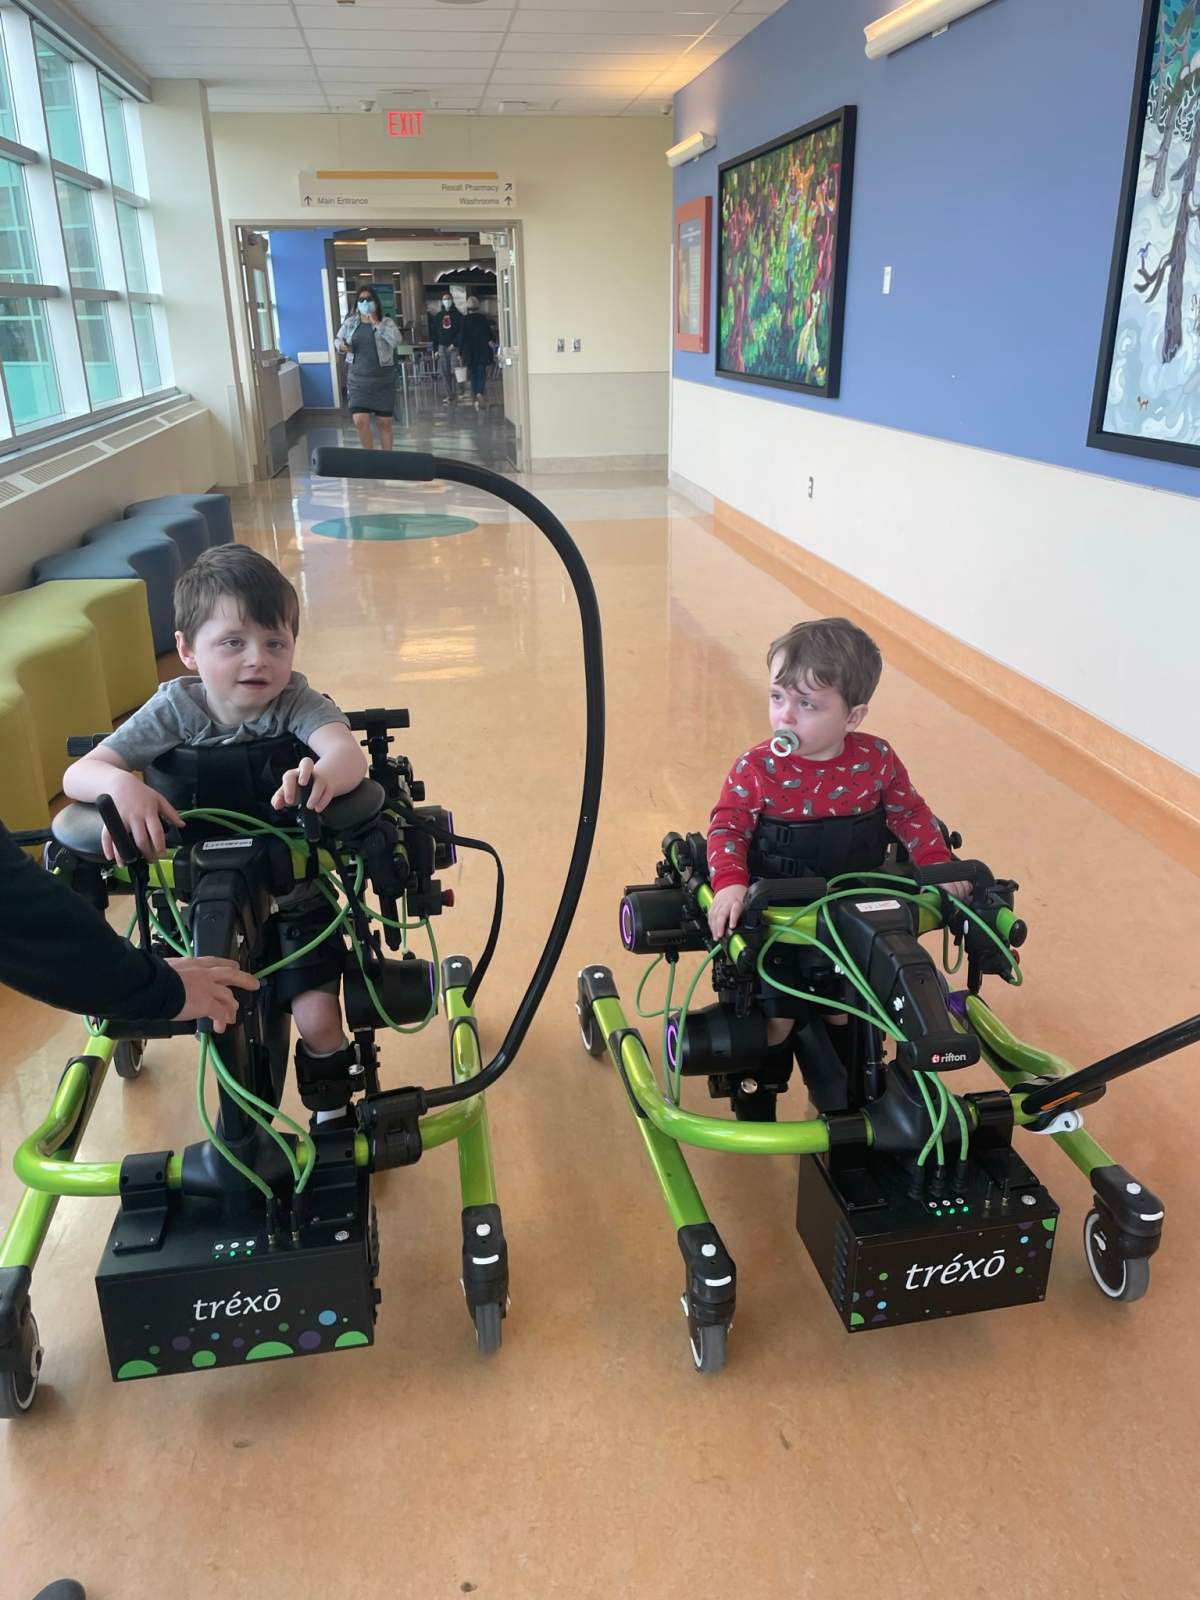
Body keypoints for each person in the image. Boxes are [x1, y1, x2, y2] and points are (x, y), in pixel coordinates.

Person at [62, 544, 369, 1122]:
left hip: (295, 897)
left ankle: (331, 1115)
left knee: (320, 1020)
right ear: (187, 650)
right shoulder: (174, 710)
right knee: (186, 1006)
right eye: (233, 643)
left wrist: (322, 774)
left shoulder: (296, 702)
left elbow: (346, 754)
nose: (258, 660)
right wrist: (121, 785)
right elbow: (80, 773)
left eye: (275, 643)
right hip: (195, 901)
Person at [706, 616, 970, 1044]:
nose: (785, 715)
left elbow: (910, 813)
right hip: (779, 909)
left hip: (855, 901)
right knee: (777, 1024)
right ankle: (766, 1070)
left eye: (807, 705)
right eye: (777, 696)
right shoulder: (756, 768)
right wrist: (730, 884)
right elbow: (727, 829)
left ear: (852, 716)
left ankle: (842, 1075)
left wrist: (937, 862)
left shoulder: (876, 759)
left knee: (848, 1014)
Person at [334, 287, 401, 450]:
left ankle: (387, 459)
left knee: (384, 423)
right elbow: (337, 340)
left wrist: (376, 323)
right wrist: (342, 346)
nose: (365, 302)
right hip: (358, 381)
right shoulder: (350, 323)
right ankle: (369, 456)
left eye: (369, 299)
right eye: (361, 300)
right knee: (360, 421)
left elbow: (396, 341)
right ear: (357, 304)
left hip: (383, 381)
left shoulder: (387, 322)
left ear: (375, 302)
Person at [428, 290, 463, 405]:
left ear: (452, 300)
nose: (446, 301)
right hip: (442, 347)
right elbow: (434, 334)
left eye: (448, 299)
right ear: (441, 301)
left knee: (455, 371)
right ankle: (449, 395)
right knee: (444, 372)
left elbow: (461, 332)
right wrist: (435, 350)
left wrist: (455, 343)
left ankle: (459, 392)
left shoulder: (458, 315)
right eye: (444, 299)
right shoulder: (438, 317)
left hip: (454, 348)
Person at [458, 296, 492, 411]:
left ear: (468, 307)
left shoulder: (464, 320)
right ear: (478, 306)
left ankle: (475, 397)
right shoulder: (483, 319)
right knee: (481, 371)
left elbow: (462, 337)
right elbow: (489, 335)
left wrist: (460, 352)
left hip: (469, 351)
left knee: (473, 374)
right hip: (482, 349)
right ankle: (479, 392)